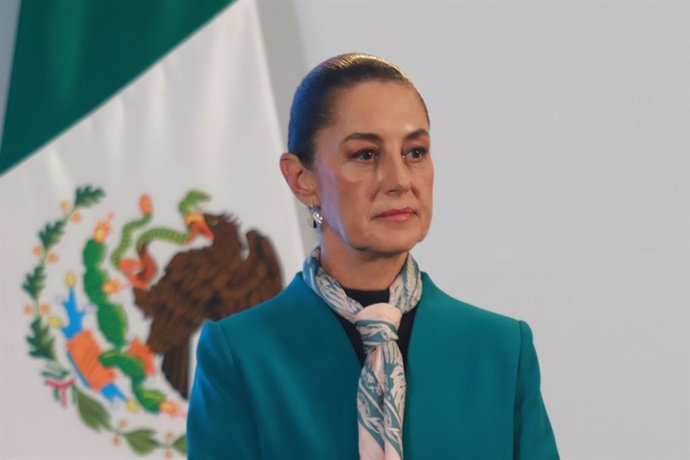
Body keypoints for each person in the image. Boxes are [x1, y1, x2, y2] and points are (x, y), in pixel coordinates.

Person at [187, 53, 559, 460]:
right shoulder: (241, 355)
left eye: (415, 152)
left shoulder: (501, 349)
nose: (399, 180)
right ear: (301, 180)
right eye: (365, 154)